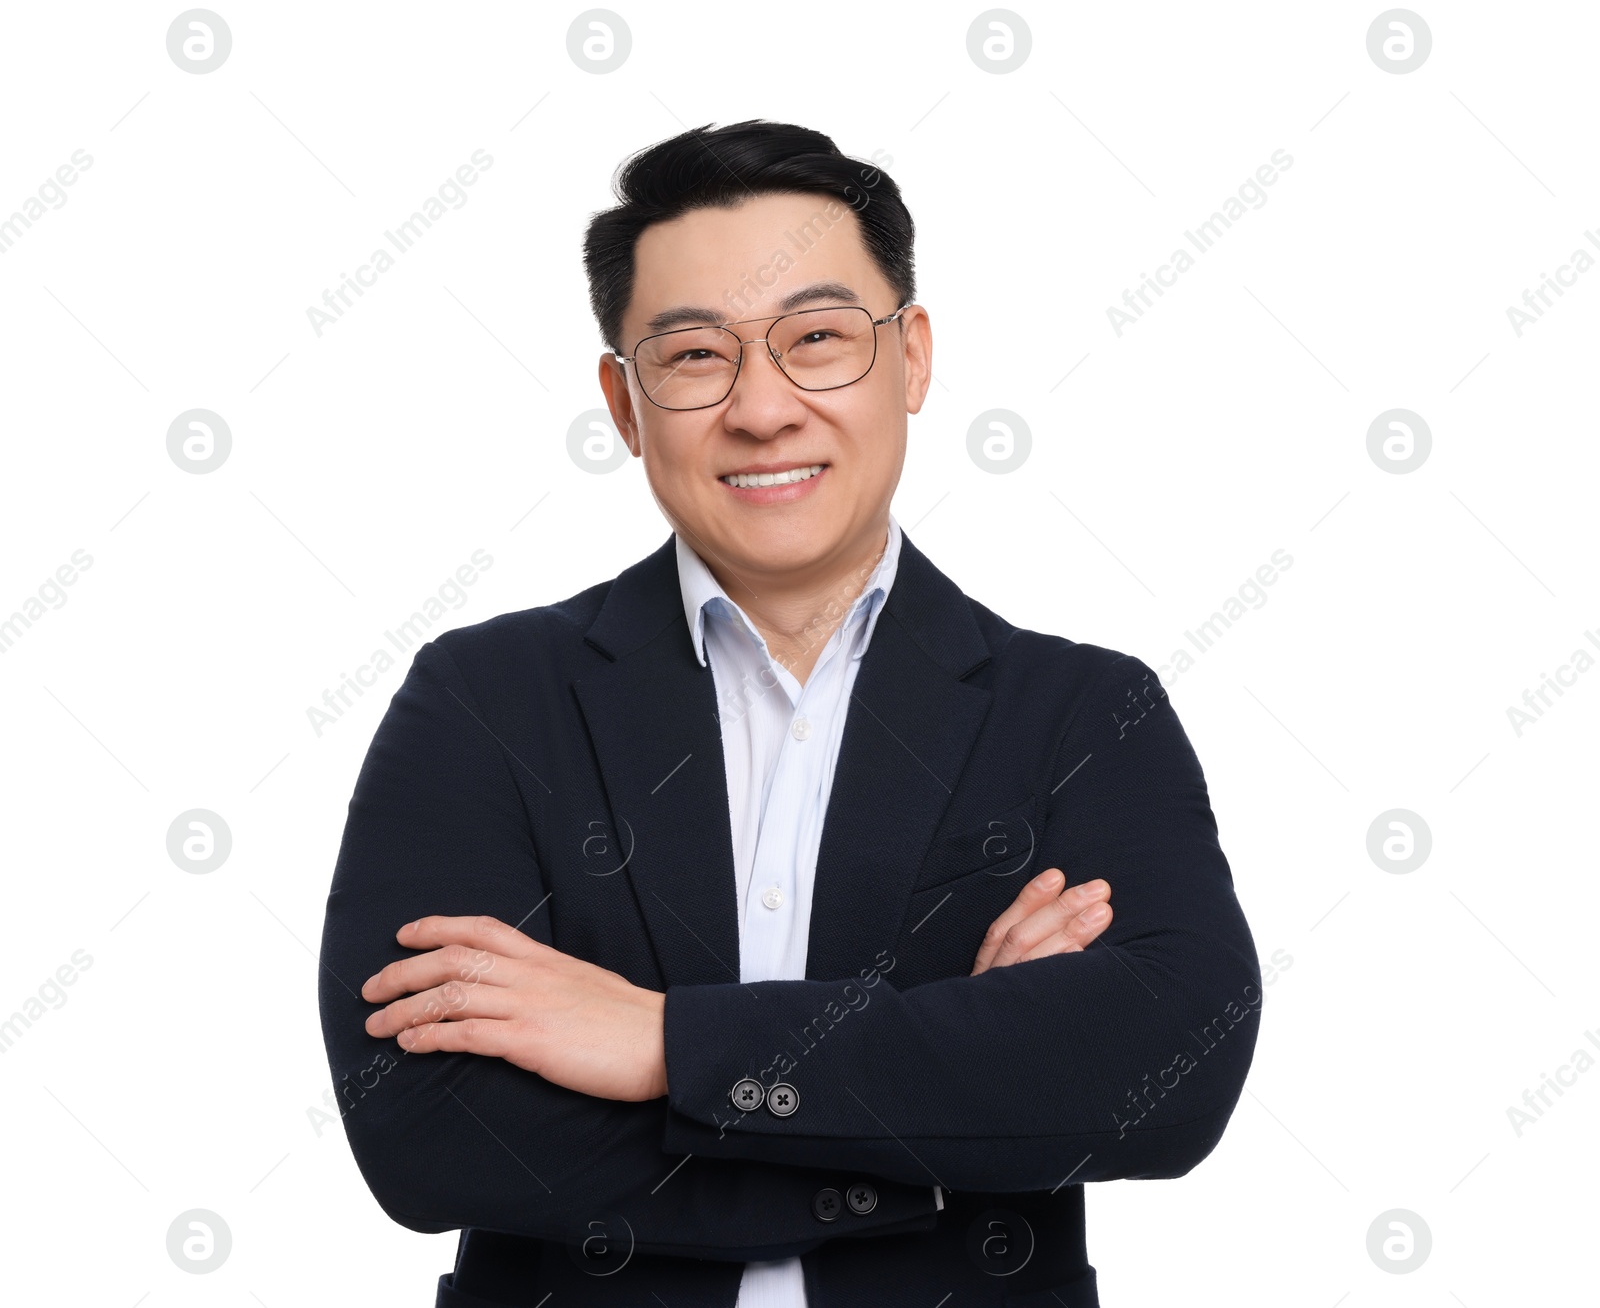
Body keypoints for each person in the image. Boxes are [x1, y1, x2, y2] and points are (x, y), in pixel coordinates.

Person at [317, 119, 1262, 1308]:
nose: (763, 409)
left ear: (911, 358)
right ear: (624, 402)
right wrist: (950, 1105)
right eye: (696, 356)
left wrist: (661, 1041)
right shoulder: (487, 700)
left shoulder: (1082, 713)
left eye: (817, 339)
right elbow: (424, 1129)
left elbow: (1170, 1069)